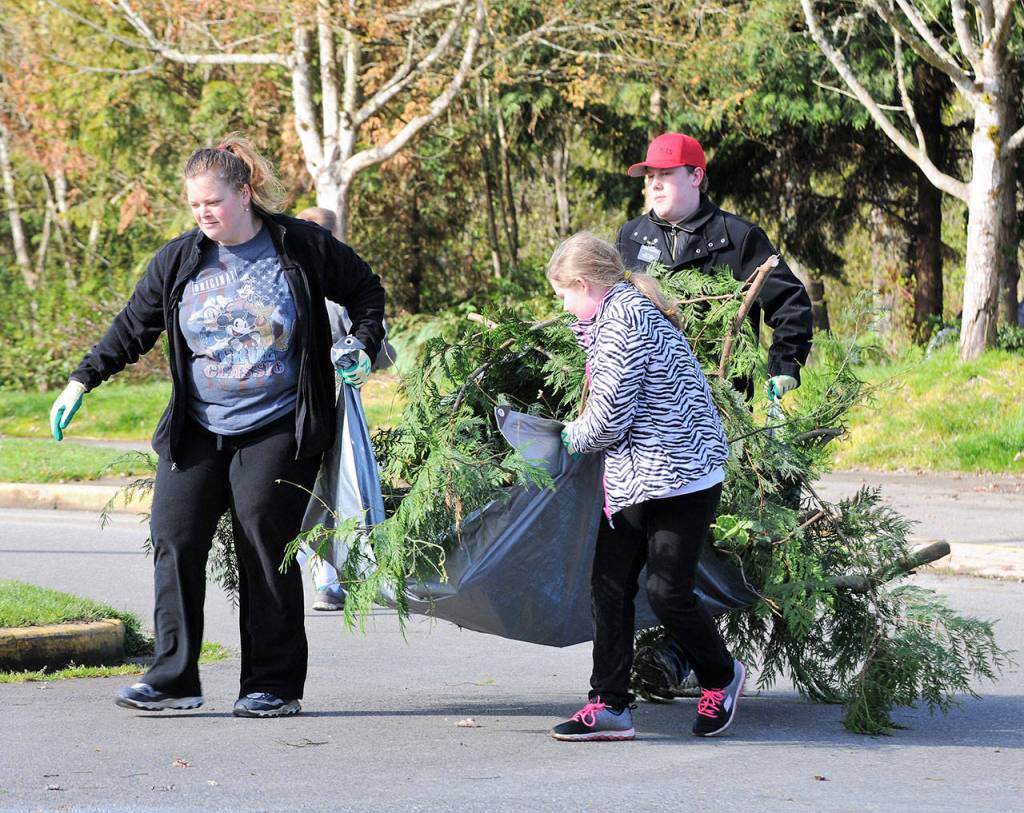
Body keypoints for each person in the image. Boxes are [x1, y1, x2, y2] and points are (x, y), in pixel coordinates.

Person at [48, 134, 385, 718]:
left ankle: (272, 685)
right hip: (199, 426)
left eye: (214, 203)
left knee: (261, 536)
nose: (204, 214)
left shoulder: (299, 246)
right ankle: (174, 678)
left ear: (245, 193)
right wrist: (81, 380)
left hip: (280, 423)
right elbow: (134, 327)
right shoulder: (180, 259)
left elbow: (365, 292)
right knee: (175, 537)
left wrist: (361, 341)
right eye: (195, 205)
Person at [547, 232, 745, 741]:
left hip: (684, 476)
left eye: (564, 295)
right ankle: (609, 705)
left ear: (585, 285)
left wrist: (568, 438)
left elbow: (609, 419)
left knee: (665, 590)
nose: (564, 308)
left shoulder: (624, 321)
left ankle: (721, 678)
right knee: (608, 585)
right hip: (637, 475)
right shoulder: (609, 317)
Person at [617, 132, 812, 402]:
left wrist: (785, 366)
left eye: (666, 175)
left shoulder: (739, 237)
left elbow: (790, 303)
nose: (655, 185)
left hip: (721, 402)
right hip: (645, 403)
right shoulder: (630, 236)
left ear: (695, 177)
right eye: (651, 176)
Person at [293, 205, 396, 612]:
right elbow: (383, 351)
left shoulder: (297, 281)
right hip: (328, 407)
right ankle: (326, 577)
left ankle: (326, 576)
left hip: (317, 407)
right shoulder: (336, 288)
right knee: (330, 489)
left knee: (321, 490)